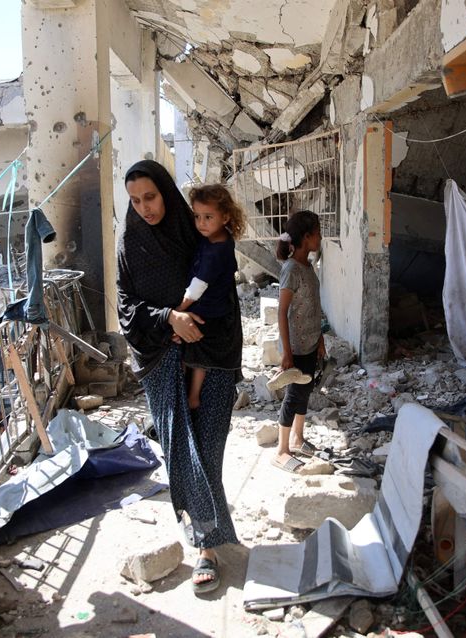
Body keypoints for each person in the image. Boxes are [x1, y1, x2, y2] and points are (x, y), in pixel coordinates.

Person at [117, 160, 242, 595]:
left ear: (166, 193)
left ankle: (210, 536)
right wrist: (169, 318)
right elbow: (125, 307)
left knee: (207, 447)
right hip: (160, 355)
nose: (145, 207)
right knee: (181, 450)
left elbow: (224, 289)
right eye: (135, 200)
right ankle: (206, 546)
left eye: (150, 197)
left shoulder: (196, 231)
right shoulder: (130, 244)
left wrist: (197, 326)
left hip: (211, 350)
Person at [175, 184, 246, 411]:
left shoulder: (216, 251)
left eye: (208, 217)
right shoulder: (221, 237)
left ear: (225, 217)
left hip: (209, 310)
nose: (201, 223)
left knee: (195, 352)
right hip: (216, 306)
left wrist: (179, 309)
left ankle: (193, 396)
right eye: (197, 216)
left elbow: (197, 287)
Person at [271, 210, 325, 473]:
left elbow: (313, 304)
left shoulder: (308, 266)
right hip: (295, 345)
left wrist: (321, 338)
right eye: (317, 232)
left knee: (305, 390)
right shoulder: (291, 269)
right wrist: (286, 352)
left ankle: (298, 438)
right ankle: (281, 450)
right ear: (306, 237)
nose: (320, 237)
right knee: (293, 395)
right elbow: (282, 311)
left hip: (310, 342)